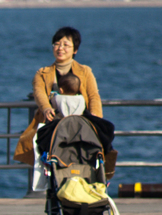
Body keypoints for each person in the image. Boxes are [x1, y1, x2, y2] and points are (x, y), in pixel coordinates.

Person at [14, 26, 102, 165]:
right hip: (53, 126)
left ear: (75, 50)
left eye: (66, 45)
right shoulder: (42, 73)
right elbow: (39, 93)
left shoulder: (85, 71)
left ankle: (102, 168)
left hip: (81, 125)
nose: (60, 48)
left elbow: (93, 97)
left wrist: (95, 118)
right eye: (57, 44)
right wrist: (46, 108)